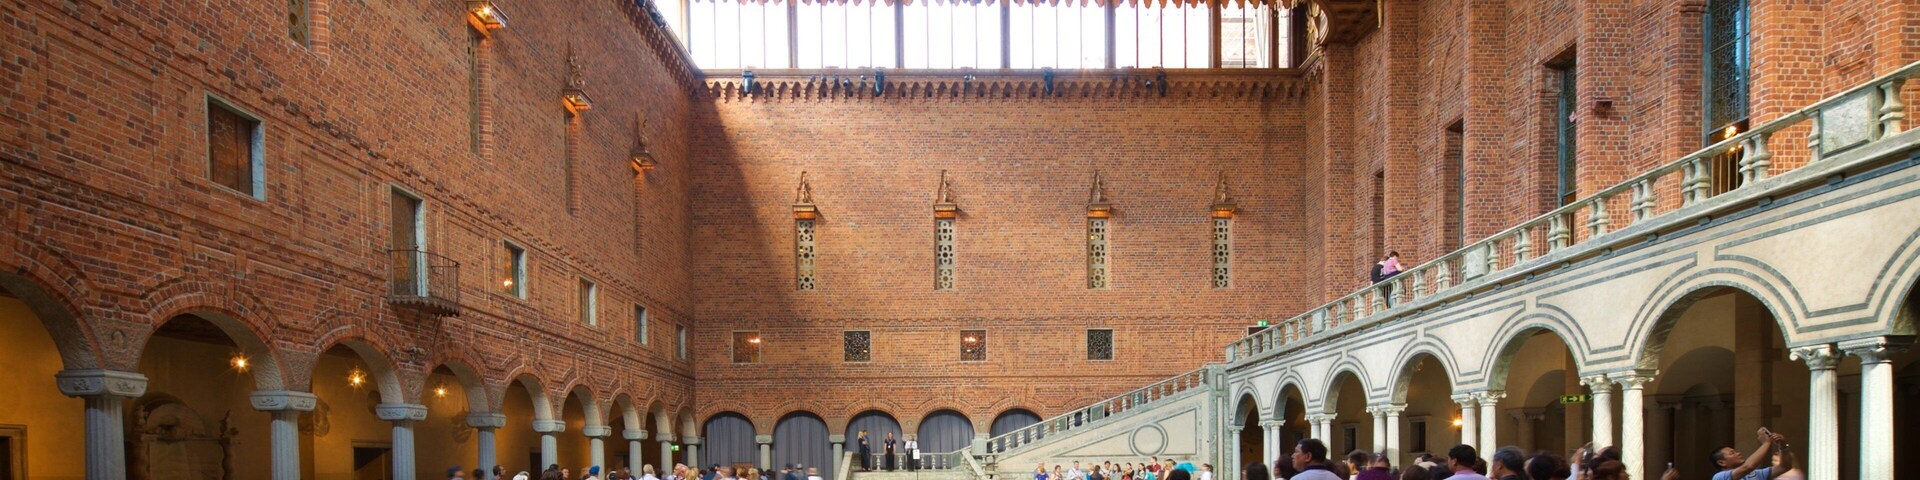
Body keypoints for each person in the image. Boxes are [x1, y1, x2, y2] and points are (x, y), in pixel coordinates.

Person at [1712, 428, 1793, 480]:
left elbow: (1784, 467)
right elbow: (1748, 466)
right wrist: (1766, 443)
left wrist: (1782, 445)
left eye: (1736, 451)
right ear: (1721, 462)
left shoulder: (1755, 474)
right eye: (1732, 453)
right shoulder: (1720, 477)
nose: (1738, 453)